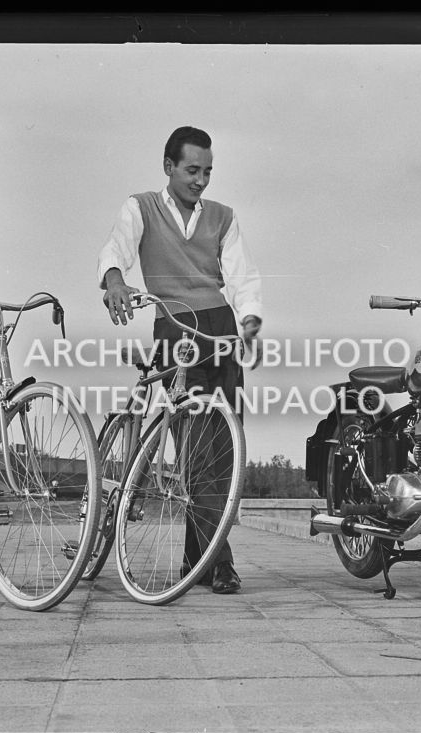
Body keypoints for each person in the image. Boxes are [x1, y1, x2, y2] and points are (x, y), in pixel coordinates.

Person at [97, 126, 263, 594]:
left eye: (208, 171)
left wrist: (249, 321)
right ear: (168, 166)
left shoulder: (223, 217)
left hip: (220, 327)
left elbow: (243, 277)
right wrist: (113, 281)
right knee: (194, 447)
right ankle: (217, 561)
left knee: (227, 446)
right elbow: (116, 249)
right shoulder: (142, 207)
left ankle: (201, 557)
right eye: (192, 170)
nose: (200, 180)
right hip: (174, 326)